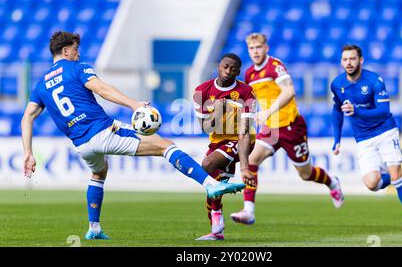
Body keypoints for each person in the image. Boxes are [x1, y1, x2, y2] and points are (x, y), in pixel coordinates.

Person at [21, 31, 246, 240]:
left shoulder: (40, 85)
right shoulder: (77, 67)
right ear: (65, 51)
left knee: (99, 172)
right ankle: (210, 184)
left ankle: (94, 229)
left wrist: (28, 153)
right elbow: (101, 88)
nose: (78, 53)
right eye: (76, 48)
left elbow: (27, 118)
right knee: (165, 145)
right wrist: (134, 104)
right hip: (102, 131)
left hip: (81, 144)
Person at [230, 33, 344, 225]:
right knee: (251, 160)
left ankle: (332, 182)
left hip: (291, 126)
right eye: (251, 48)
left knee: (306, 174)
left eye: (259, 47)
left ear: (266, 48)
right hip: (270, 129)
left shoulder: (275, 66)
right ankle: (249, 211)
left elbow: (289, 91)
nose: (255, 51)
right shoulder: (249, 74)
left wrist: (268, 112)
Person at [330, 44, 402, 233]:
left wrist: (357, 111)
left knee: (395, 173)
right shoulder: (337, 84)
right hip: (363, 139)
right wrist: (337, 138)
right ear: (341, 61)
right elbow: (336, 110)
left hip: (386, 131)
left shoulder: (375, 81)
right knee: (372, 183)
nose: (348, 63)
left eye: (352, 59)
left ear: (361, 60)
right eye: (345, 59)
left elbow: (383, 111)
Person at [193, 53, 256, 240]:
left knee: (207, 165)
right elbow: (205, 128)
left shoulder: (246, 93)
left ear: (239, 71)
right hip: (217, 142)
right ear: (219, 66)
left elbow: (244, 131)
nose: (228, 71)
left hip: (242, 140)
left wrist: (245, 167)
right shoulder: (201, 91)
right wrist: (217, 112)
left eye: (233, 69)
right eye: (225, 66)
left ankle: (228, 187)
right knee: (212, 187)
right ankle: (217, 229)